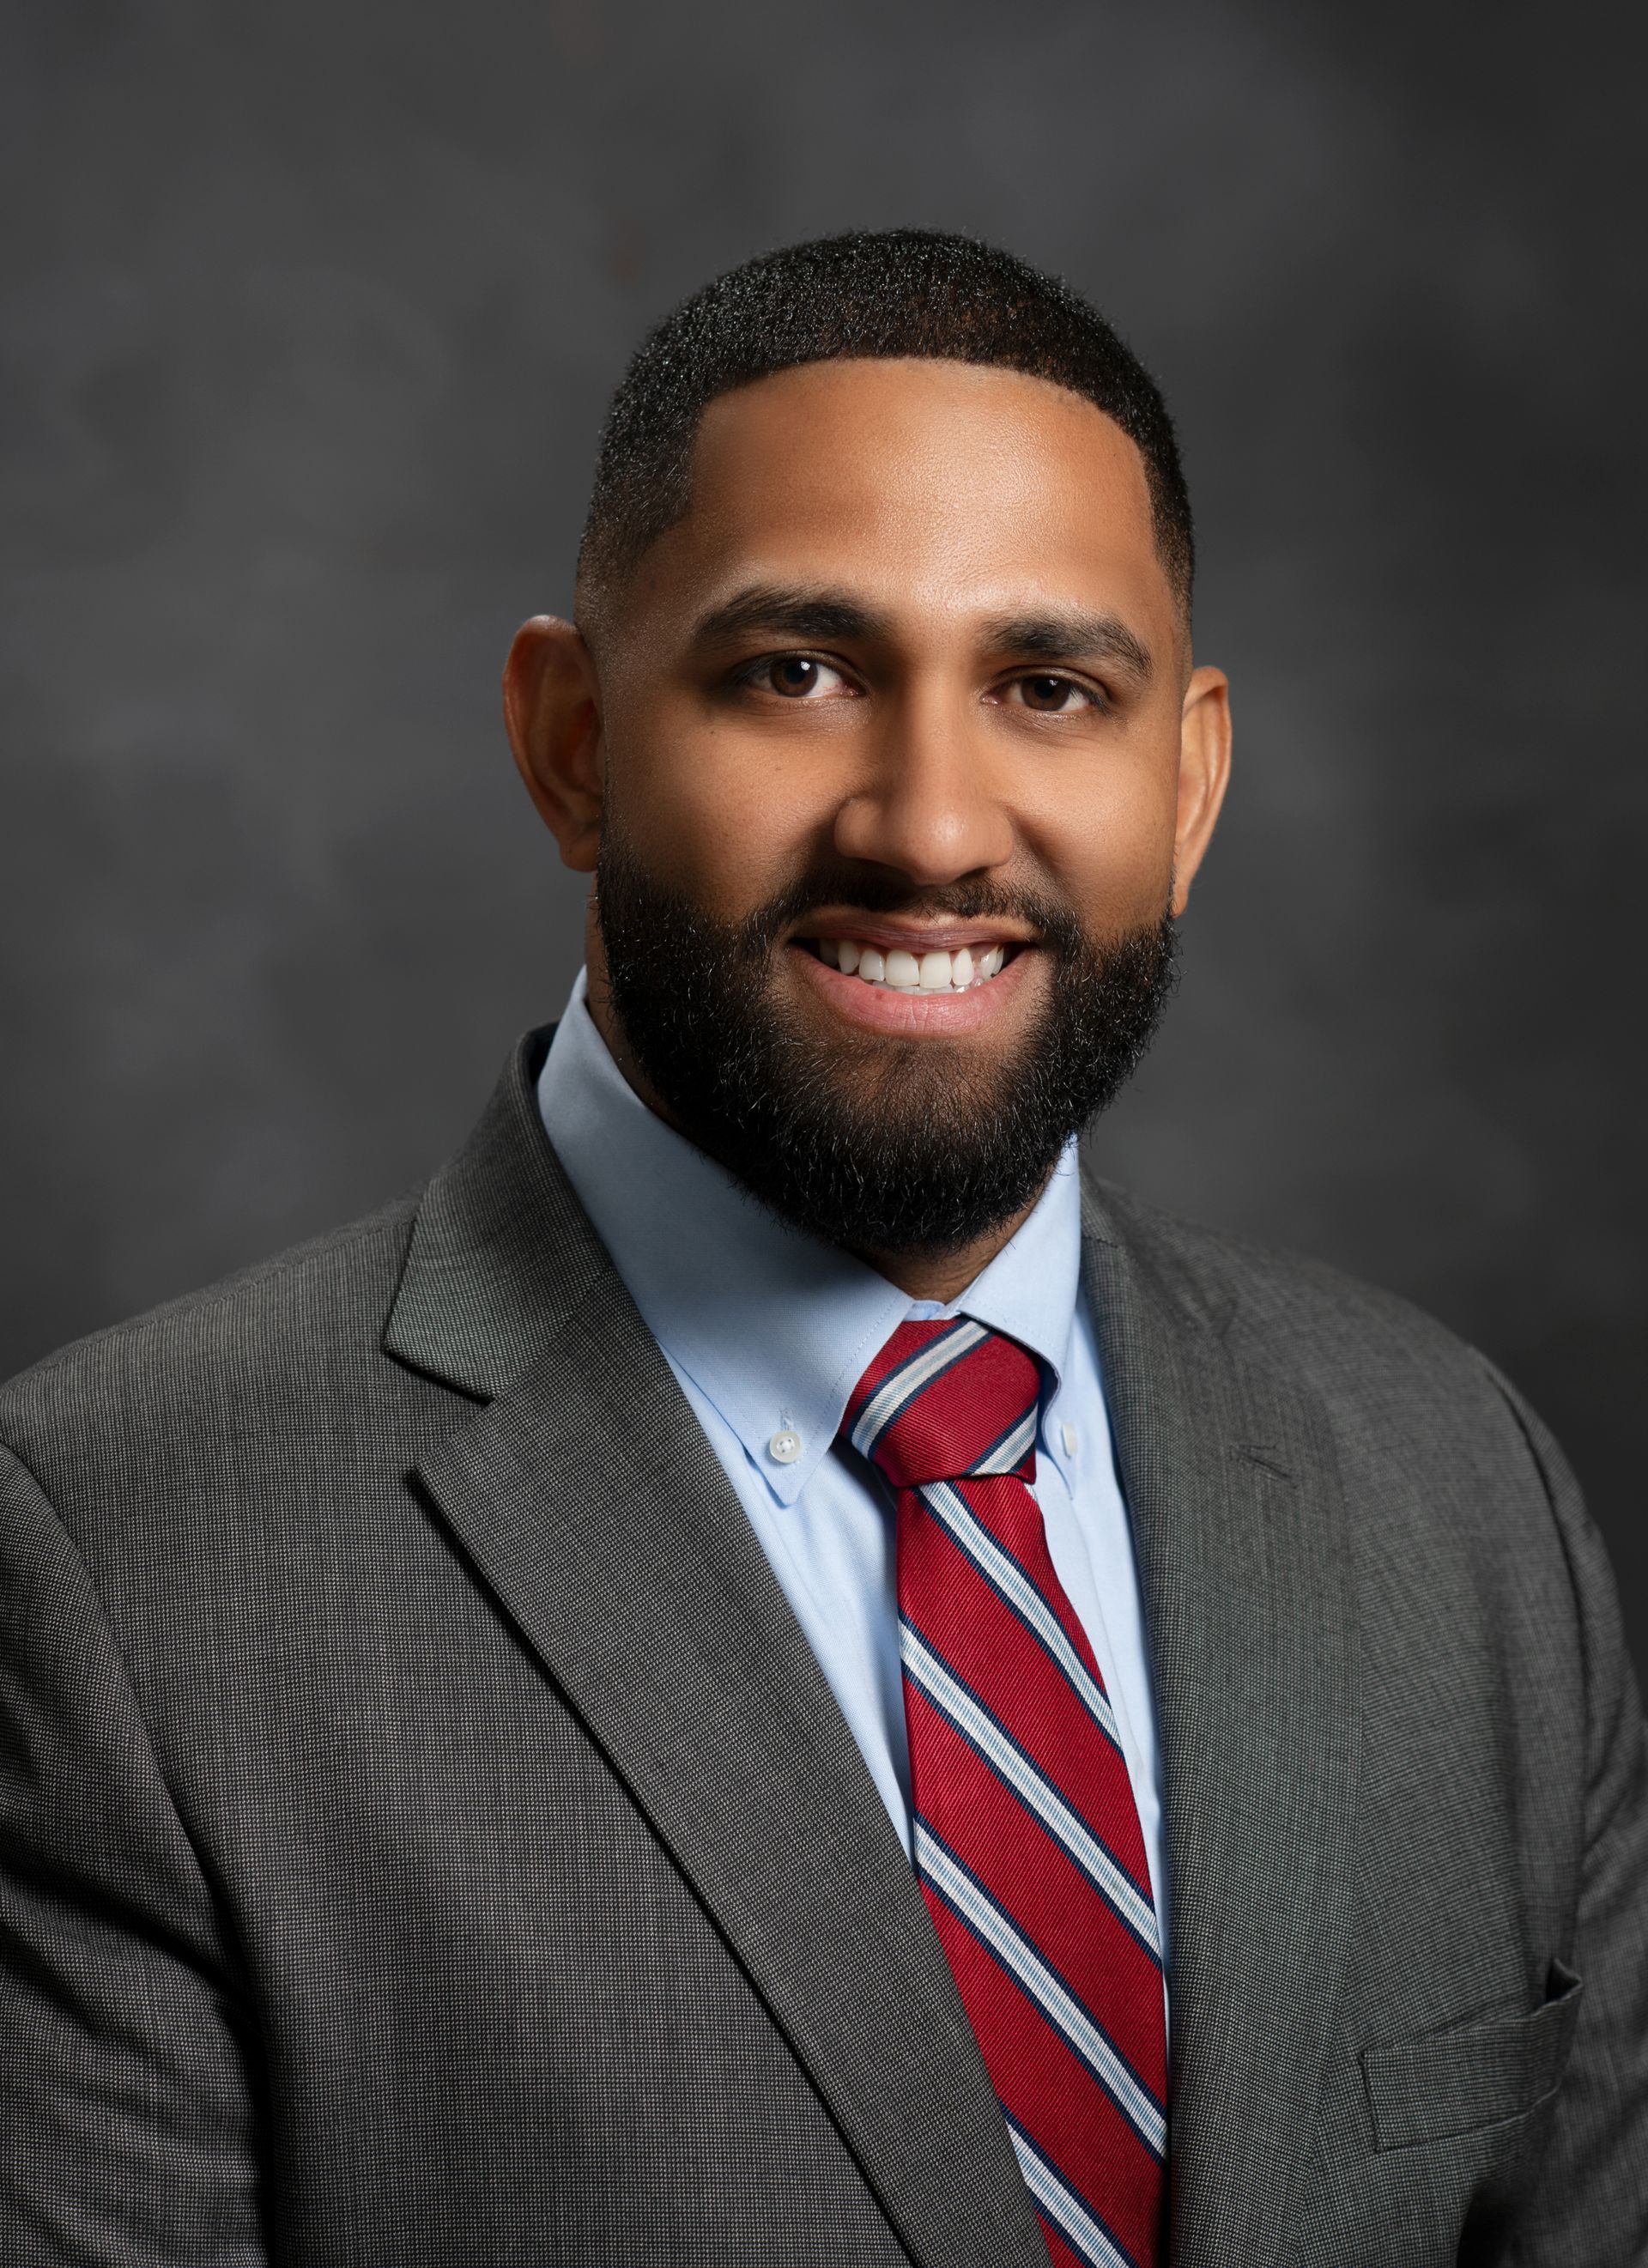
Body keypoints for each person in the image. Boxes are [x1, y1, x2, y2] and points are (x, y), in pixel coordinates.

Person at [1, 229, 1643, 2268]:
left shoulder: (1457, 1491)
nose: (933, 823)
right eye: (798, 671)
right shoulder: (112, 1555)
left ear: (1191, 780)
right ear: (573, 740)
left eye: (1050, 687)